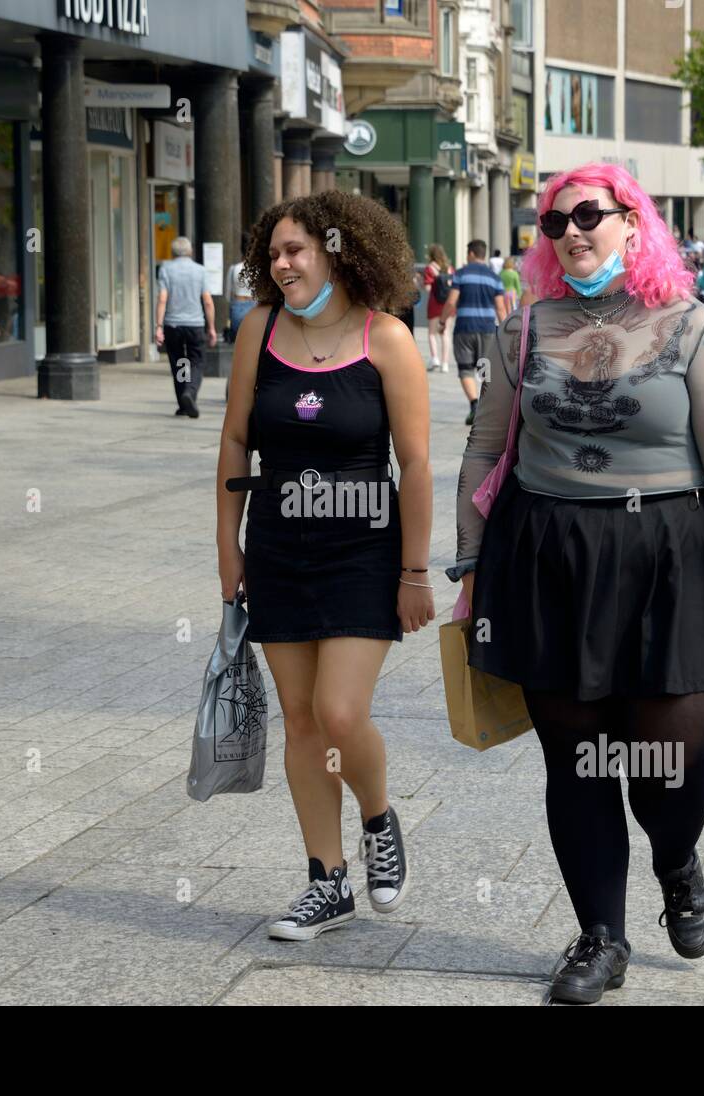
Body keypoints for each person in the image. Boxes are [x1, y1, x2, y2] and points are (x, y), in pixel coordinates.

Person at [449, 162, 704, 1005]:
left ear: (633, 225)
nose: (570, 230)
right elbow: (485, 451)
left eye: (589, 214)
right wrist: (467, 565)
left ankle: (676, 859)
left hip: (671, 559)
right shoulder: (523, 329)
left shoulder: (692, 326)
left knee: (671, 764)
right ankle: (600, 938)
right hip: (548, 558)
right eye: (553, 221)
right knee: (576, 762)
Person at [216, 190, 434, 942]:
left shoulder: (388, 340)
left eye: (294, 251)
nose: (279, 265)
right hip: (278, 550)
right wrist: (229, 549)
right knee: (303, 720)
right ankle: (326, 882)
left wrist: (414, 573)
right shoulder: (258, 331)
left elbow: (416, 464)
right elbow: (235, 443)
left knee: (342, 713)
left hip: (362, 553)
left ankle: (378, 817)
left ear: (339, 251)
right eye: (272, 253)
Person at [440, 240, 509, 426]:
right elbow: (501, 308)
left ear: (471, 254)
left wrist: (442, 321)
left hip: (464, 328)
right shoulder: (494, 278)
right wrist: (506, 331)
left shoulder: (461, 274)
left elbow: (451, 302)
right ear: (483, 254)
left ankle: (474, 404)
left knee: (465, 368)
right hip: (487, 330)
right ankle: (488, 406)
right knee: (485, 369)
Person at [156, 236, 217, 418]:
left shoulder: (166, 269)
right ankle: (189, 392)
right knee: (196, 361)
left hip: (173, 325)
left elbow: (162, 298)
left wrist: (158, 326)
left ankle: (183, 400)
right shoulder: (200, 271)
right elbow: (207, 301)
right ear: (190, 251)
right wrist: (212, 327)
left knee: (180, 362)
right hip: (195, 324)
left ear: (173, 253)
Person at [423, 243, 454, 372]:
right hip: (448, 305)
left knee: (432, 333)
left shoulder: (429, 268)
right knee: (445, 333)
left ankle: (435, 358)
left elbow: (428, 288)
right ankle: (445, 364)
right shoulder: (450, 268)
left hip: (435, 304)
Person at [224, 234, 254, 344]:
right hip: (255, 305)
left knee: (239, 342)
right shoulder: (259, 270)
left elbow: (228, 294)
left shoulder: (234, 268)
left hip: (238, 305)